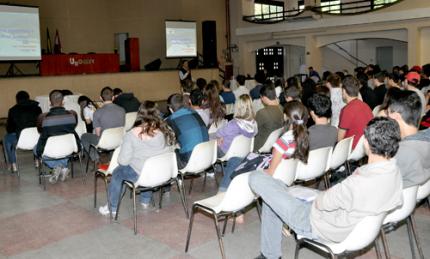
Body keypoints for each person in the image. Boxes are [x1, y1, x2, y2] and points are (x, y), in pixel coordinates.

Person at [249, 117, 403, 259]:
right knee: (275, 194)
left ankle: (270, 255)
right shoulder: (394, 173)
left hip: (316, 223)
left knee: (257, 178)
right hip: (342, 222)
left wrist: (320, 197)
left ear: (367, 143)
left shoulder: (360, 182)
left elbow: (323, 202)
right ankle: (269, 254)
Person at [99, 101, 176, 215]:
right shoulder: (165, 130)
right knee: (147, 162)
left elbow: (123, 161)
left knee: (118, 172)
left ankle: (112, 207)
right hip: (163, 172)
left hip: (143, 175)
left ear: (139, 114)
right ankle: (145, 200)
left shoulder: (132, 134)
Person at [35, 90, 80, 183]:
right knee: (64, 147)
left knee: (36, 149)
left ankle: (56, 167)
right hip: (69, 148)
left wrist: (38, 151)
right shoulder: (72, 115)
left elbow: (42, 138)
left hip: (52, 149)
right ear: (63, 101)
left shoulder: (44, 118)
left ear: (50, 102)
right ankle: (63, 167)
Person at [387, 90, 430, 188]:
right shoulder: (425, 139)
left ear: (396, 116)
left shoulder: (400, 153)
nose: (386, 117)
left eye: (388, 112)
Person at [216, 94, 258, 191]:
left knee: (210, 142)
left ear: (237, 107)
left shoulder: (234, 124)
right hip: (244, 152)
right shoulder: (254, 123)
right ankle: (221, 168)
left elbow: (219, 132)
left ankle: (213, 169)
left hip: (227, 151)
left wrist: (220, 137)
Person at [81, 87, 125, 162]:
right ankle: (112, 158)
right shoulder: (122, 110)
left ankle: (96, 158)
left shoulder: (97, 112)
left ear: (101, 98)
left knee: (84, 136)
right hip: (119, 140)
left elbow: (98, 134)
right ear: (113, 97)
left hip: (105, 142)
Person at [166, 93, 209, 169]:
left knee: (167, 152)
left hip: (190, 162)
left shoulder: (171, 120)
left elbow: (168, 141)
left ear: (170, 108)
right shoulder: (195, 113)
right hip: (208, 156)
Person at [4, 91, 42, 172]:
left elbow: (9, 129)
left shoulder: (13, 110)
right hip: (37, 139)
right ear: (28, 98)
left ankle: (13, 164)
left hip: (21, 140)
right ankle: (37, 160)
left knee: (7, 138)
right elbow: (41, 124)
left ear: (17, 100)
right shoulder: (37, 108)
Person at [338, 76, 373, 149]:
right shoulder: (365, 105)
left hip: (351, 149)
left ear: (344, 91)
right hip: (365, 147)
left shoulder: (347, 109)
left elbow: (339, 140)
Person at [254, 84, 284, 152]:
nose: (261, 99)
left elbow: (253, 130)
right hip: (275, 144)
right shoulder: (282, 108)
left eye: (261, 97)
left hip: (260, 146)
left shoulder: (262, 113)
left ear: (264, 97)